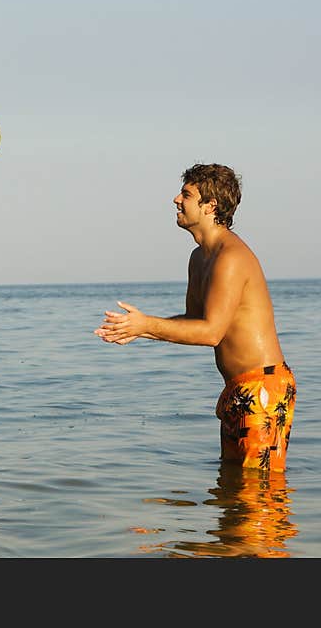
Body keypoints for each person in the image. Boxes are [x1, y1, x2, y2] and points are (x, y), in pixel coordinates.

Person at [94, 163, 296, 472]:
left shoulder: (230, 257)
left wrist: (148, 325)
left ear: (210, 206)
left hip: (263, 388)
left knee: (257, 497)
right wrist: (139, 329)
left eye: (186, 194)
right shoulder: (200, 257)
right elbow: (194, 320)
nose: (176, 199)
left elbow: (211, 332)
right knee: (231, 489)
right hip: (236, 388)